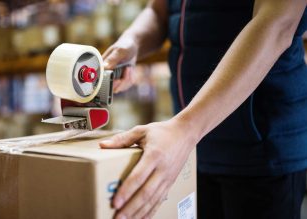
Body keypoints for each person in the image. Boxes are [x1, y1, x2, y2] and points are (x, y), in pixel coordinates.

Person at [99, 0, 307, 218]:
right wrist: (132, 41)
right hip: (193, 149)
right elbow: (159, 11)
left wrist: (185, 130)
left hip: (260, 154)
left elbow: (277, 24)